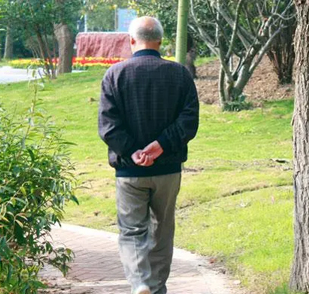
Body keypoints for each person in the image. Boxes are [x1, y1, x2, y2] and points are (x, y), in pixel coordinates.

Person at [98, 16, 199, 294]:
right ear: (160, 41)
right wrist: (161, 145)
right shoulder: (180, 74)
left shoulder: (115, 75)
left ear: (132, 40)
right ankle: (156, 288)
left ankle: (140, 282)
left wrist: (133, 152)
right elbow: (189, 121)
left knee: (131, 231)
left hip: (130, 172)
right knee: (162, 230)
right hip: (168, 169)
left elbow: (108, 126)